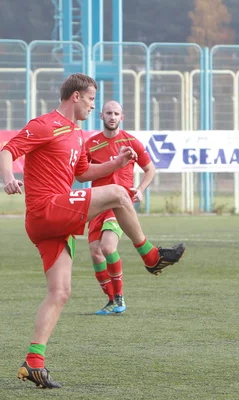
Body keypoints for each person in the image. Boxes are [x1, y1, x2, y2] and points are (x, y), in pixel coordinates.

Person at [0, 73, 185, 389]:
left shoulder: (76, 133)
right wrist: (7, 178)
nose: (93, 107)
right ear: (75, 97)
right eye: (90, 100)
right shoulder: (45, 124)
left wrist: (116, 163)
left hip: (52, 221)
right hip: (47, 208)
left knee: (60, 292)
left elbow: (83, 173)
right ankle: (151, 256)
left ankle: (33, 361)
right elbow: (7, 151)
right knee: (117, 194)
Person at [84, 100, 157, 315]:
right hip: (97, 202)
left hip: (119, 204)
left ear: (122, 118)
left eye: (116, 113)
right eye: (109, 113)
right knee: (95, 253)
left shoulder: (131, 142)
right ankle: (111, 300)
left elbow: (150, 169)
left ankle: (119, 297)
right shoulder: (90, 145)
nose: (112, 116)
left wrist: (141, 189)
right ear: (101, 116)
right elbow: (81, 171)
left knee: (107, 247)